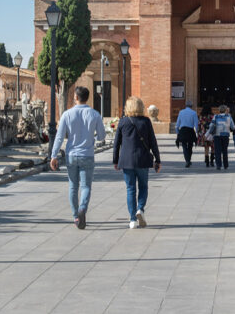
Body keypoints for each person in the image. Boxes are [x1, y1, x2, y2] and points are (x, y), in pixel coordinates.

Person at [50, 86, 106, 229]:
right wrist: (91, 135)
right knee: (86, 186)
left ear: (75, 97)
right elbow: (101, 136)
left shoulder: (67, 114)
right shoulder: (94, 114)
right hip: (87, 154)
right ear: (87, 97)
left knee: (73, 186)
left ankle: (76, 216)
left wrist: (54, 155)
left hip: (71, 155)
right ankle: (83, 209)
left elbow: (59, 136)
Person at [113, 96, 161, 229]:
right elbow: (152, 141)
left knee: (130, 189)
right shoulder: (146, 121)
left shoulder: (123, 122)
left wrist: (115, 160)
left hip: (126, 160)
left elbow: (116, 143)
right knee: (143, 186)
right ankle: (140, 209)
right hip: (143, 159)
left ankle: (132, 219)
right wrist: (158, 159)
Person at [175, 101, 199, 168]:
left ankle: (187, 160)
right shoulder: (194, 113)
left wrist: (177, 133)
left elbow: (177, 124)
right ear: (191, 106)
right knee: (190, 146)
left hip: (182, 130)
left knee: (184, 146)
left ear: (185, 105)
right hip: (190, 131)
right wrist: (197, 133)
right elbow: (196, 125)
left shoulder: (181, 112)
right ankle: (188, 159)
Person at [210, 104, 234, 170]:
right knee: (225, 150)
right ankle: (225, 165)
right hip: (225, 136)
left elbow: (211, 125)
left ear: (219, 110)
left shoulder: (215, 116)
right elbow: (233, 127)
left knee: (217, 151)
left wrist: (209, 133)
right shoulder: (229, 117)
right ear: (226, 110)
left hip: (217, 136)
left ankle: (218, 165)